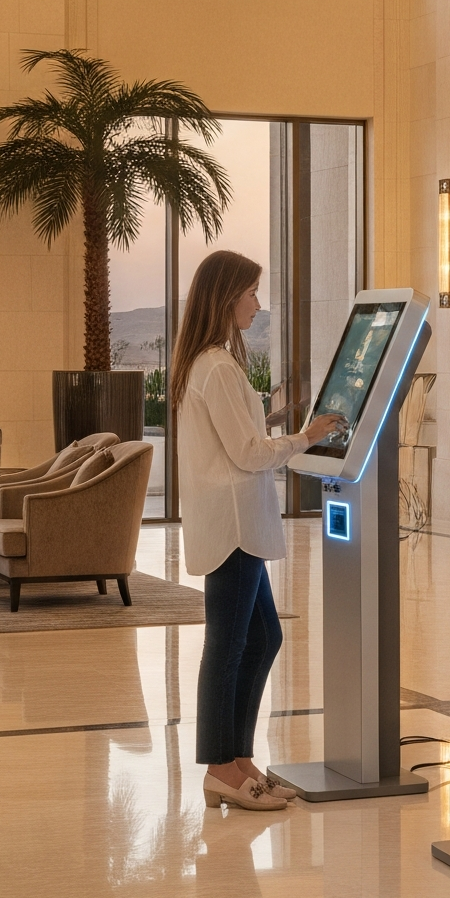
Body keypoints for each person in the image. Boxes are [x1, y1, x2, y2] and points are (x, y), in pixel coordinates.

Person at [171, 250, 345, 813]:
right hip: (234, 527)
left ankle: (238, 758)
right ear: (227, 297)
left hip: (236, 524)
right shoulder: (217, 366)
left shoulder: (210, 363)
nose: (257, 303)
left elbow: (234, 437)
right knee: (227, 646)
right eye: (250, 293)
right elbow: (247, 454)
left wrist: (272, 424)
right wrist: (306, 437)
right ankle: (220, 768)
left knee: (264, 637)